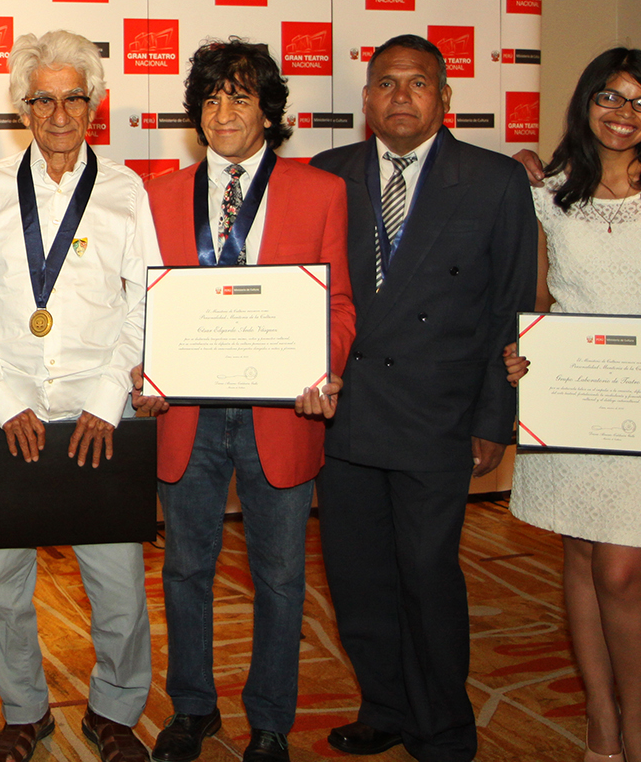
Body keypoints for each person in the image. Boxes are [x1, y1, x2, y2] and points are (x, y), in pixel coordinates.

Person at [308, 34, 537, 762]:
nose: (401, 95)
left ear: (445, 97)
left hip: (439, 417)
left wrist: (494, 418)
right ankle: (384, 706)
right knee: (358, 576)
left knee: (428, 577)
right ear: (366, 99)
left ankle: (442, 726)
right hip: (344, 415)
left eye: (418, 82)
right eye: (386, 83)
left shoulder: (496, 180)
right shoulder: (326, 174)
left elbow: (509, 308)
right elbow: (305, 296)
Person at [139, 39, 356, 762]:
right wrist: (145, 370)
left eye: (239, 96)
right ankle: (192, 708)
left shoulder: (321, 192)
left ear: (269, 111)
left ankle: (269, 721)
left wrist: (324, 368)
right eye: (210, 98)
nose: (223, 111)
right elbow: (142, 305)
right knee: (184, 570)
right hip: (187, 415)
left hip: (283, 414)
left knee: (281, 577)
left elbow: (339, 306)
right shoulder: (159, 196)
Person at [0, 29, 160, 762]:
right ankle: (23, 711)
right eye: (44, 100)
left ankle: (115, 711)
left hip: (100, 414)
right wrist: (5, 402)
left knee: (119, 584)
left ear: (94, 105)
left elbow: (145, 303)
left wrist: (106, 399)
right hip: (10, 411)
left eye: (75, 98)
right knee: (2, 585)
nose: (60, 114)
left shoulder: (127, 192)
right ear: (24, 108)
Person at [504, 50, 641, 762]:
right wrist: (518, 354)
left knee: (623, 569)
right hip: (570, 404)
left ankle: (639, 724)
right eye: (610, 97)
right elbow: (536, 302)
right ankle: (601, 722)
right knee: (583, 557)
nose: (624, 114)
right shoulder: (549, 193)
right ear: (585, 102)